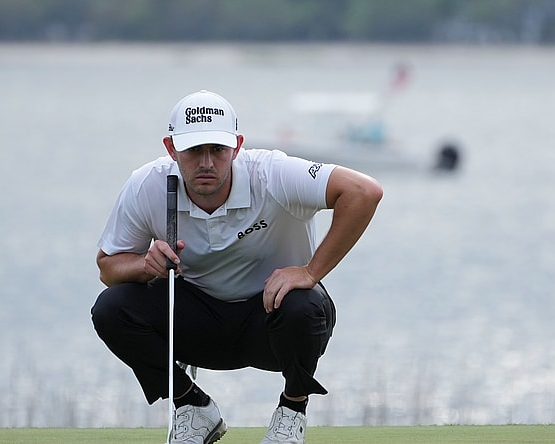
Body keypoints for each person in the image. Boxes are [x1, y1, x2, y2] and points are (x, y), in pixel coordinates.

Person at [91, 90, 383, 443]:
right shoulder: (147, 184)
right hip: (196, 328)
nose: (206, 163)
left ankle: (292, 411)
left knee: (304, 303)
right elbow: (108, 267)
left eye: (217, 149)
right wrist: (144, 265)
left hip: (274, 325)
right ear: (171, 148)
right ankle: (191, 406)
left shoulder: (273, 173)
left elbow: (364, 192)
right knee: (111, 308)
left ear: (237, 146)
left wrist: (310, 272)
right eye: (193, 150)